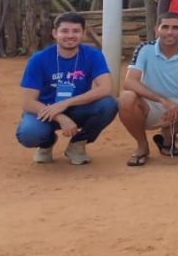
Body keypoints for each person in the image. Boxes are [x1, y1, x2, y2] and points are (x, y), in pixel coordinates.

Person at [17, 12, 118, 165]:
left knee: (109, 104)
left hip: (77, 109)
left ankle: (77, 144)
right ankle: (46, 143)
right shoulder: (39, 59)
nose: (70, 36)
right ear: (54, 33)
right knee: (29, 134)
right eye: (64, 31)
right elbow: (27, 103)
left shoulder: (93, 55)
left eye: (76, 31)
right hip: (45, 111)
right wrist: (60, 116)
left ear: (83, 33)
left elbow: (105, 88)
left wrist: (66, 103)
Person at [118, 12, 178, 166]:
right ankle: (142, 146)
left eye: (175, 28)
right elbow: (130, 82)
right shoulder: (144, 49)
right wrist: (163, 101)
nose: (170, 32)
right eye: (165, 27)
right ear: (157, 29)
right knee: (126, 98)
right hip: (151, 104)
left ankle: (168, 135)